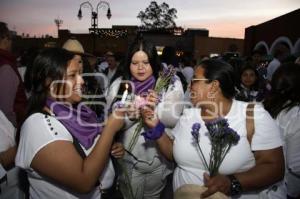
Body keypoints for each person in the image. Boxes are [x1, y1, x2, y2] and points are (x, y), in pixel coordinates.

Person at [142, 59, 284, 198]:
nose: (189, 86)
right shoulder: (189, 114)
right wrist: (157, 127)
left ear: (214, 86)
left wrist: (233, 182)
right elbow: (173, 153)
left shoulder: (253, 115)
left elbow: (274, 167)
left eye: (195, 81)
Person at [15, 48, 126, 199]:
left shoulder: (75, 112)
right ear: (49, 81)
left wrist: (106, 147)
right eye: (73, 75)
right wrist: (109, 131)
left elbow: (87, 147)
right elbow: (84, 181)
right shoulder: (39, 127)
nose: (81, 80)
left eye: (80, 74)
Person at [106, 38, 184, 199]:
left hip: (160, 160)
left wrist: (156, 105)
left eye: (146, 62)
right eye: (135, 63)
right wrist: (131, 115)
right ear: (128, 63)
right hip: (129, 161)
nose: (140, 68)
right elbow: (110, 123)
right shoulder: (120, 85)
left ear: (154, 62)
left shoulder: (170, 83)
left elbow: (173, 119)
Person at [264, 63, 300, 198]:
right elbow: (296, 166)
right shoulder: (295, 116)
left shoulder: (264, 105)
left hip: (262, 180)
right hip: (284, 188)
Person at [0, 22, 27, 127]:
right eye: (10, 39)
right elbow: (5, 111)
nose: (11, 43)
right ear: (5, 38)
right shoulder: (6, 66)